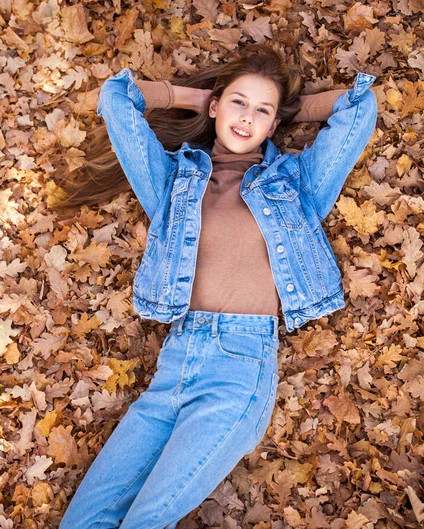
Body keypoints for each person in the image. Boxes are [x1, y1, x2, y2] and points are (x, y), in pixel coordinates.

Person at [57, 44, 378, 529]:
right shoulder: (174, 182)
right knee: (82, 521)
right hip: (175, 364)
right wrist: (197, 95)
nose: (247, 118)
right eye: (237, 102)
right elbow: (117, 99)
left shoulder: (299, 182)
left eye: (262, 110)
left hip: (238, 372)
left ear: (274, 125)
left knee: (143, 522)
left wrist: (288, 110)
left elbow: (360, 107)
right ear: (215, 106)